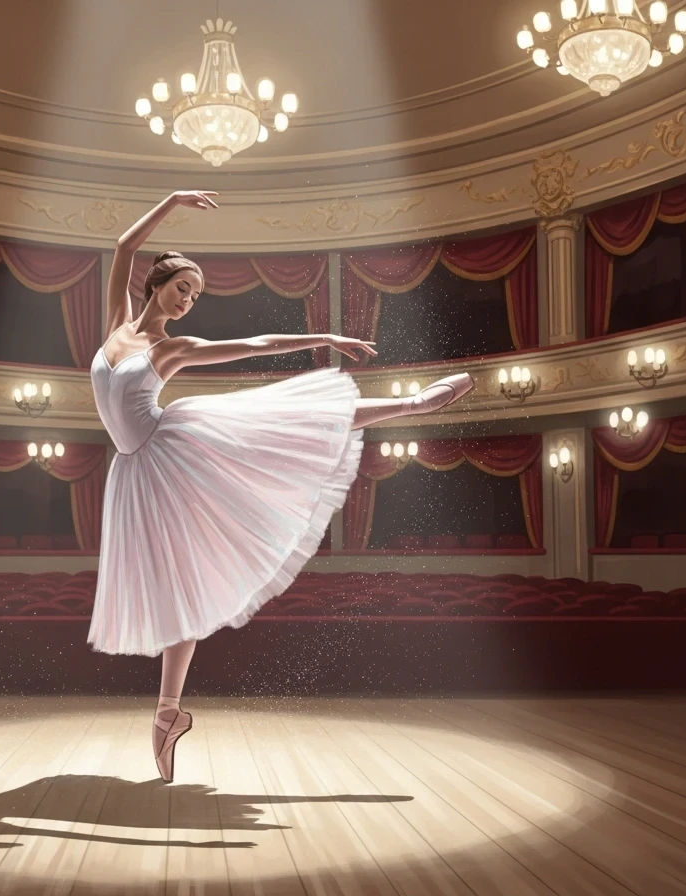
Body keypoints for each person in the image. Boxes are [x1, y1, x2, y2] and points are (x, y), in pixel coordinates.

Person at [88, 190, 474, 782]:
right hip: (136, 472)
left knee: (290, 427)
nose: (188, 300)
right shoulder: (116, 325)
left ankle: (409, 404)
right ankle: (167, 715)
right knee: (181, 594)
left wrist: (323, 341)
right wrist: (170, 200)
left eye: (195, 295)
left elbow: (256, 347)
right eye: (182, 288)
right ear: (156, 283)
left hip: (171, 453)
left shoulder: (174, 348)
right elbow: (122, 245)